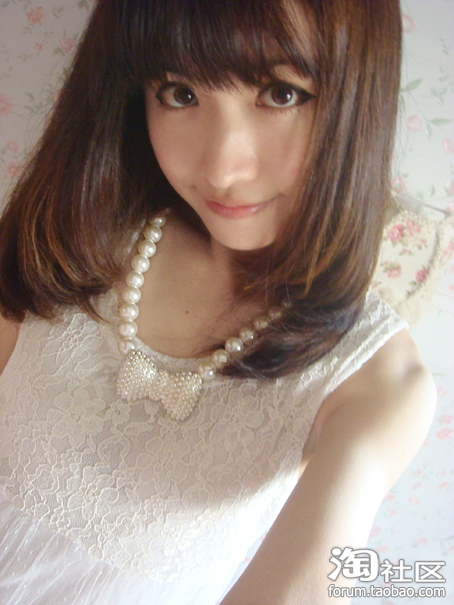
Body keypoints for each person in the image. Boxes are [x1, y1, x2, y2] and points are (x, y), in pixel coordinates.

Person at [0, 0, 436, 603]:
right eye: (180, 93)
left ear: (356, 99)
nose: (223, 168)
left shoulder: (374, 382)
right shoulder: (67, 242)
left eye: (281, 94)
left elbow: (315, 581)